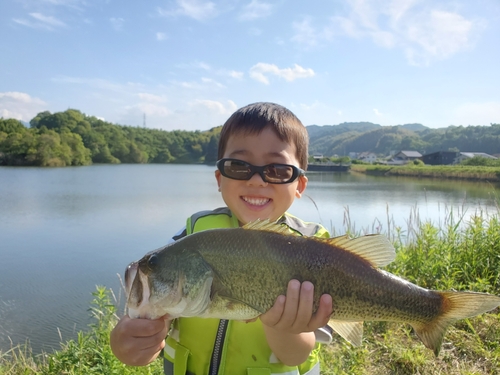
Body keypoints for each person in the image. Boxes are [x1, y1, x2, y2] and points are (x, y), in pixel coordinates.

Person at [110, 102, 334, 375]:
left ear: (299, 184)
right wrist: (128, 343)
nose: (257, 180)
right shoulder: (193, 237)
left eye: (276, 170)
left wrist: (283, 328)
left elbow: (296, 355)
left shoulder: (316, 250)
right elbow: (148, 332)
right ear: (219, 178)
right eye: (239, 166)